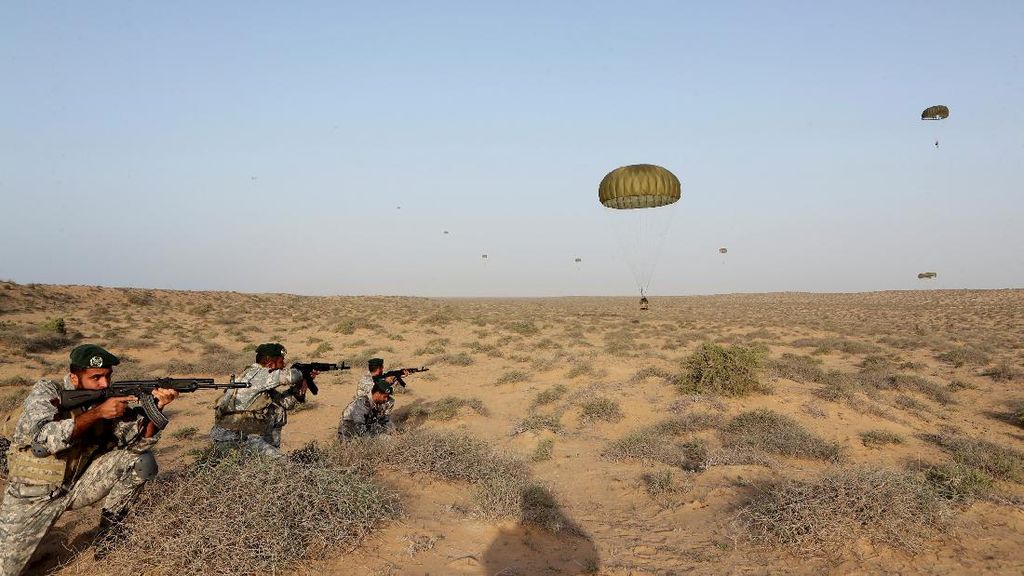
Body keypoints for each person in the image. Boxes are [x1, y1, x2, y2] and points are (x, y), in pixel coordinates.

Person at [0, 344, 179, 575]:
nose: (104, 384)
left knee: (141, 461)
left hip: (77, 485)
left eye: (107, 377)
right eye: (95, 377)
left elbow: (136, 443)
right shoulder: (48, 392)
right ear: (74, 377)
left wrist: (157, 406)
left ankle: (110, 539)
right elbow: (41, 440)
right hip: (33, 495)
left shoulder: (107, 399)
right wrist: (97, 413)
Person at [209, 343, 314, 457]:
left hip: (240, 436)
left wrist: (301, 386)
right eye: (281, 361)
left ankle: (271, 448)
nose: (283, 365)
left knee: (277, 410)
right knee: (284, 466)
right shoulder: (259, 374)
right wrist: (303, 371)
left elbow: (286, 403)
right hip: (235, 439)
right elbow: (293, 376)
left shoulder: (258, 380)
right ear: (270, 364)